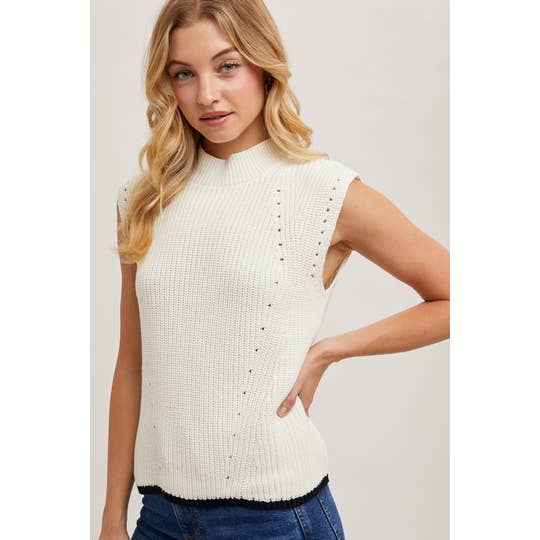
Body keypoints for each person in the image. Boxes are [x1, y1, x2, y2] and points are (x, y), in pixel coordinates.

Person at [99, 1, 450, 538]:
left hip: (276, 519)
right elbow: (131, 365)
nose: (206, 94)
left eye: (227, 66)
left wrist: (330, 350)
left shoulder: (323, 190)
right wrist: (111, 515)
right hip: (161, 517)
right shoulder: (143, 199)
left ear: (264, 67)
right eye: (184, 74)